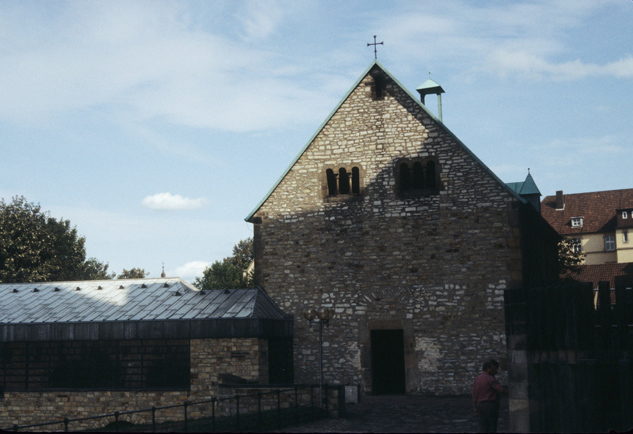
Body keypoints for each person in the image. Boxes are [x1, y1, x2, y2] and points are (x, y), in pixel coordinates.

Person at [472, 359, 507, 433]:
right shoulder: (490, 379)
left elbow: (474, 395)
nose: (494, 370)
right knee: (492, 426)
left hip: (480, 405)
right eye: (492, 368)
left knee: (482, 427)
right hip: (490, 405)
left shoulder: (477, 379)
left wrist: (475, 408)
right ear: (488, 369)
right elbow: (501, 390)